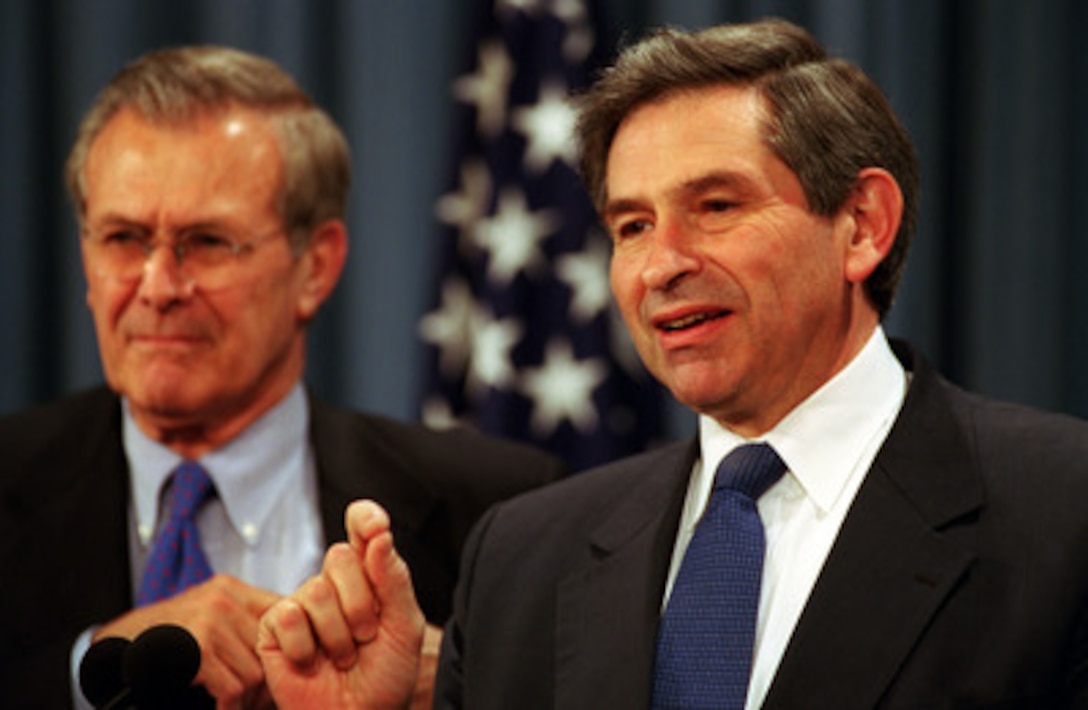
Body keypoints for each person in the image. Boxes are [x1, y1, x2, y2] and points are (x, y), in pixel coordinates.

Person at [259, 18, 1088, 709]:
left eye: (716, 206)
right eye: (630, 226)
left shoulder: (1062, 511)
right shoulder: (522, 559)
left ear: (862, 225)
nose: (660, 266)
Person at [0, 45, 565, 708]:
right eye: (123, 238)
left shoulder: (505, 509)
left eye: (207, 242)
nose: (156, 286)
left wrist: (448, 684)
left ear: (316, 267)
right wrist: (88, 668)